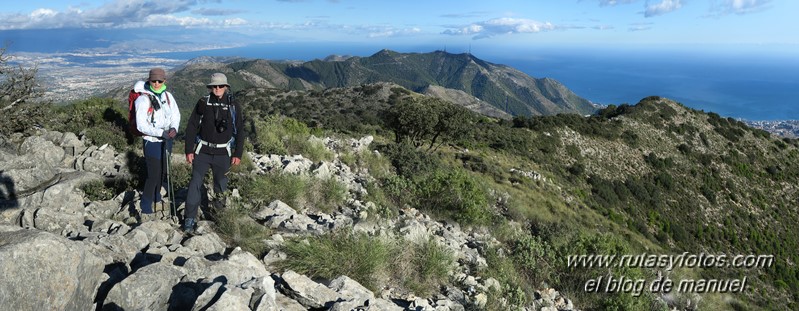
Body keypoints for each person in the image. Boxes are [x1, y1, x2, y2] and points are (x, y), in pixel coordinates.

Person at [183, 72, 244, 234]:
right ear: (210, 87)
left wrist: (238, 153)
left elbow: (240, 130)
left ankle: (219, 217)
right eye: (214, 86)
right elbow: (191, 126)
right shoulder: (203, 102)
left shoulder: (233, 105)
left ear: (226, 87)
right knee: (195, 184)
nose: (217, 89)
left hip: (223, 153)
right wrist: (189, 150)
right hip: (202, 151)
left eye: (220, 86)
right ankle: (189, 218)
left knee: (220, 186)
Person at [135, 68, 180, 222]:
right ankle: (145, 207)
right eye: (153, 81)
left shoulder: (168, 96)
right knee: (153, 174)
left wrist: (174, 128)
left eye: (159, 81)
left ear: (164, 81)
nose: (156, 83)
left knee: (162, 171)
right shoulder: (142, 100)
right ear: (149, 80)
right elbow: (141, 125)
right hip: (152, 141)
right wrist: (160, 133)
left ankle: (157, 197)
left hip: (167, 139)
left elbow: (176, 115)